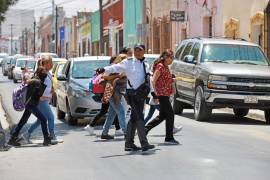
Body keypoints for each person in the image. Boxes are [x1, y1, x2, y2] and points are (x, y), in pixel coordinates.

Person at [103, 44, 155, 152]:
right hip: (132, 94)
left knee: (134, 118)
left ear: (144, 52)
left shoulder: (145, 64)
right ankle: (144, 143)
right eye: (136, 50)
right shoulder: (128, 62)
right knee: (139, 117)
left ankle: (129, 144)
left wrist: (154, 93)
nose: (138, 52)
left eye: (140, 50)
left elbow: (148, 79)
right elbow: (115, 67)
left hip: (141, 94)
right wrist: (103, 69)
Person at [8, 66, 57, 146]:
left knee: (23, 121)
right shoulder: (38, 82)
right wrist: (49, 96)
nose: (46, 74)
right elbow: (39, 96)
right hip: (31, 105)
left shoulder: (35, 79)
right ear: (41, 73)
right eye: (44, 72)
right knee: (43, 120)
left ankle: (12, 138)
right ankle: (46, 139)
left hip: (29, 103)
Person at [145, 50, 180, 145]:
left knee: (162, 116)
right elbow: (153, 80)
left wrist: (172, 80)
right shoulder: (160, 66)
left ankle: (145, 130)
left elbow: (164, 79)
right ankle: (169, 138)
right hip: (161, 95)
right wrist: (155, 94)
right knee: (170, 114)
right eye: (171, 57)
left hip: (165, 94)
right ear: (165, 57)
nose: (172, 60)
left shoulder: (165, 67)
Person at [22, 56, 60, 143]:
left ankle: (26, 134)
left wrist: (52, 88)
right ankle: (52, 136)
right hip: (41, 100)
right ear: (46, 64)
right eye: (50, 62)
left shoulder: (48, 73)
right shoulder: (41, 72)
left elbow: (47, 84)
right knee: (51, 117)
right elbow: (37, 83)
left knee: (40, 120)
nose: (52, 64)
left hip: (45, 99)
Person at [84, 57, 122, 137]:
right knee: (114, 110)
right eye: (118, 60)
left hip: (107, 91)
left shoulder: (113, 68)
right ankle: (118, 129)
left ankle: (91, 126)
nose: (120, 61)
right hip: (108, 91)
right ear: (114, 61)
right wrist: (118, 76)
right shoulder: (112, 68)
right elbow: (106, 77)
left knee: (108, 110)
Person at [100, 54, 128, 140]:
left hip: (118, 93)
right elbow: (104, 76)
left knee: (112, 114)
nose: (125, 62)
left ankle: (104, 133)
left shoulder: (125, 68)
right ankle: (126, 132)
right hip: (112, 92)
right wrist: (117, 76)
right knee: (121, 112)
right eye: (123, 60)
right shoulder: (114, 67)